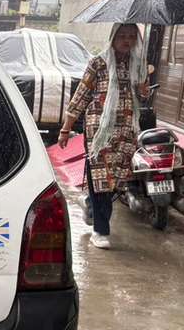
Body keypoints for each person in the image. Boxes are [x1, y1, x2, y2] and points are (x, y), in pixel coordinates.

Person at [57, 23, 150, 249]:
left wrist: (144, 91)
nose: (126, 40)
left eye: (131, 36)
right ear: (113, 37)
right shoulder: (98, 63)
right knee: (101, 180)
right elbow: (80, 96)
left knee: (115, 180)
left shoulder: (138, 65)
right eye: (122, 36)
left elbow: (141, 98)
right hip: (99, 132)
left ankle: (89, 203)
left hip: (126, 131)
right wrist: (66, 129)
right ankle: (101, 231)